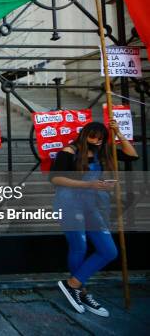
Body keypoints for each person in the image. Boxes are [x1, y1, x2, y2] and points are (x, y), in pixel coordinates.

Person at [51, 120, 138, 317]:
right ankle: (81, 292)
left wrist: (118, 133)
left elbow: (133, 156)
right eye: (93, 137)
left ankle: (72, 285)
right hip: (70, 204)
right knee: (79, 247)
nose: (96, 141)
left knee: (109, 250)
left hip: (93, 206)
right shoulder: (69, 151)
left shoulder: (104, 152)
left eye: (101, 138)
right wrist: (88, 185)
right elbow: (55, 178)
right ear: (84, 134)